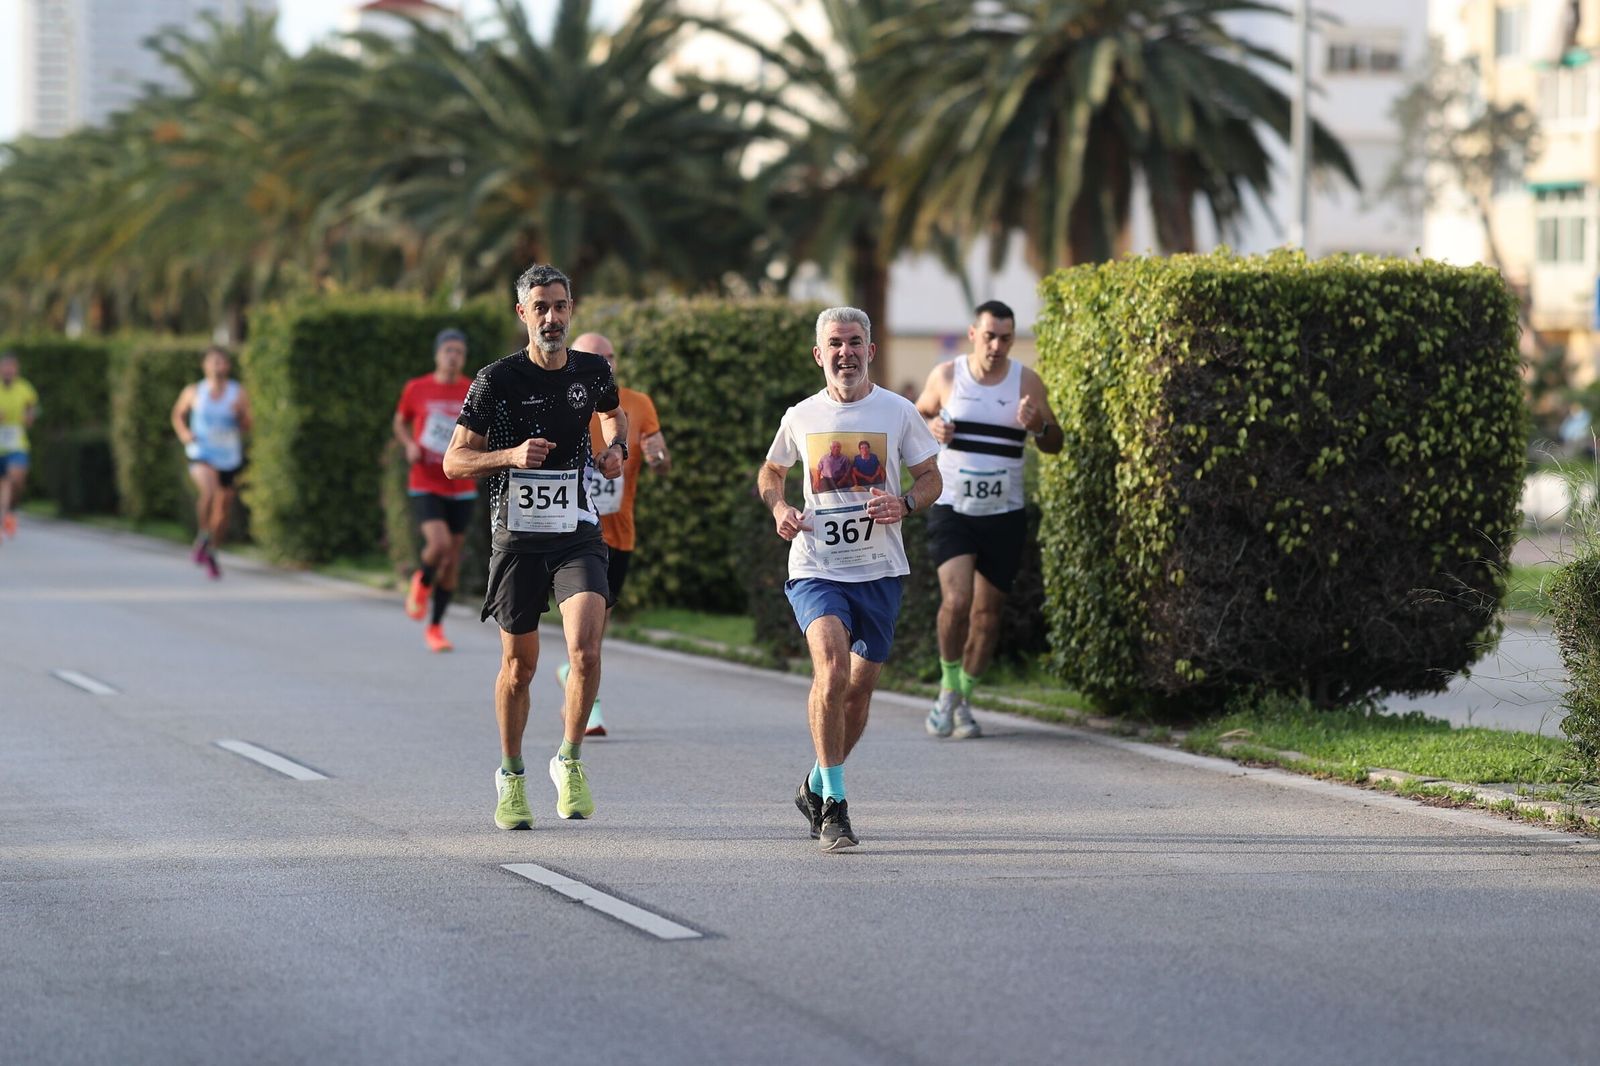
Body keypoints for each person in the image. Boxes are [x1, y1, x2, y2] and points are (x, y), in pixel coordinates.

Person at [443, 264, 626, 832]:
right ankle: (512, 775)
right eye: (539, 307)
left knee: (586, 652)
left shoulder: (593, 370)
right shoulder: (496, 380)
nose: (551, 317)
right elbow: (453, 462)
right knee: (519, 668)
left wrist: (615, 448)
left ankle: (569, 760)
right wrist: (510, 456)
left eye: (560, 306)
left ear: (572, 309)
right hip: (518, 536)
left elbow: (613, 416)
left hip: (576, 529)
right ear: (522, 314)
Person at [758, 306, 941, 852]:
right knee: (832, 671)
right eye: (835, 344)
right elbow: (772, 471)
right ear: (820, 355)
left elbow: (931, 476)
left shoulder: (899, 411)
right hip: (816, 567)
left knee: (859, 692)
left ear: (871, 350)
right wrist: (779, 508)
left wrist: (905, 502)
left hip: (880, 569)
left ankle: (815, 781)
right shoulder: (800, 416)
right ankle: (835, 806)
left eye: (855, 342)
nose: (846, 353)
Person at [915, 300, 1062, 739]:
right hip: (953, 509)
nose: (997, 345)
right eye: (990, 335)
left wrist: (1038, 426)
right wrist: (932, 428)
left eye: (1006, 338)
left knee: (986, 615)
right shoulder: (946, 376)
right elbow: (916, 416)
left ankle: (962, 700)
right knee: (957, 602)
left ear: (1012, 340)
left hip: (1004, 513)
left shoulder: (1027, 382)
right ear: (973, 334)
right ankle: (946, 689)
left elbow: (1056, 442)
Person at [553, 331, 671, 737]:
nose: (605, 362)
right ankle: (589, 710)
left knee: (597, 625)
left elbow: (658, 451)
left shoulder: (637, 404)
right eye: (594, 356)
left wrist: (657, 458)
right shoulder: (561, 399)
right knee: (589, 634)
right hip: (570, 530)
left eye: (610, 356)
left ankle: (573, 671)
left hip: (619, 532)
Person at [393, 328, 478, 653]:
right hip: (425, 480)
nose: (453, 356)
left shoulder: (472, 388)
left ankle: (436, 627)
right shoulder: (417, 388)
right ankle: (422, 581)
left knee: (452, 559)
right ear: (437, 354)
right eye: (448, 350)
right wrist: (409, 444)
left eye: (459, 351)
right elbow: (400, 421)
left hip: (461, 483)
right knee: (439, 544)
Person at [171, 346, 251, 579]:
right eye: (214, 362)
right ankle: (203, 536)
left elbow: (248, 426)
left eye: (222, 362)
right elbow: (177, 413)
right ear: (205, 365)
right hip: (201, 451)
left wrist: (240, 416)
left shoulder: (237, 393)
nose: (218, 367)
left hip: (228, 456)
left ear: (228, 366)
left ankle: (212, 550)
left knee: (223, 509)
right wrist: (184, 433)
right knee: (209, 490)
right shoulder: (194, 391)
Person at [0, 353, 39, 541]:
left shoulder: (25, 388)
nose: (8, 371)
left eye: (11, 367)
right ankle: (3, 523)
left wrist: (30, 416)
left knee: (16, 479)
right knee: (3, 485)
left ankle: (11, 511)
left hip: (17, 444)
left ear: (16, 369)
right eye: (4, 367)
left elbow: (33, 408)